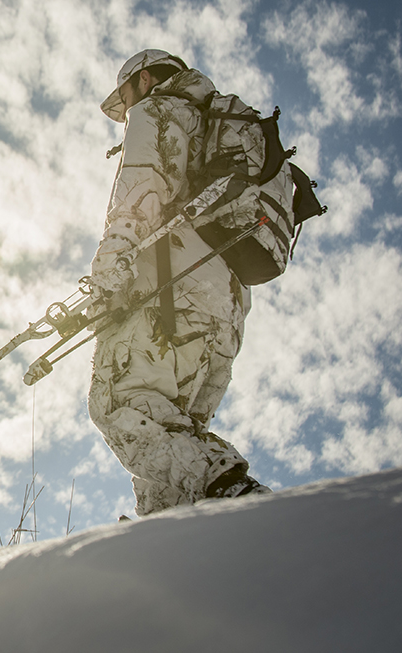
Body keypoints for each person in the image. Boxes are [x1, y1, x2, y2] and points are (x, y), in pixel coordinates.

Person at [86, 49, 270, 517]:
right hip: (225, 316)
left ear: (144, 79)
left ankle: (237, 494)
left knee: (121, 405)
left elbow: (142, 191)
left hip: (172, 295)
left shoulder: (159, 110)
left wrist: (108, 272)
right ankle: (165, 537)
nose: (125, 109)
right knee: (172, 435)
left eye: (124, 96)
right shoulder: (217, 128)